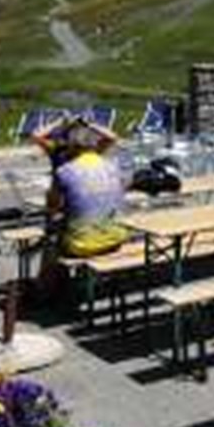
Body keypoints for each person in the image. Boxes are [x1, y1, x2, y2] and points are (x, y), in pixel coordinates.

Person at [35, 116, 131, 296]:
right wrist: (91, 124)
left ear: (71, 144)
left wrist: (60, 122)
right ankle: (71, 281)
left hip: (81, 245)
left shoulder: (64, 169)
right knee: (87, 220)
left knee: (52, 239)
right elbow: (112, 137)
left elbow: (53, 208)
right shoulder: (112, 167)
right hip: (116, 239)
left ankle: (45, 290)